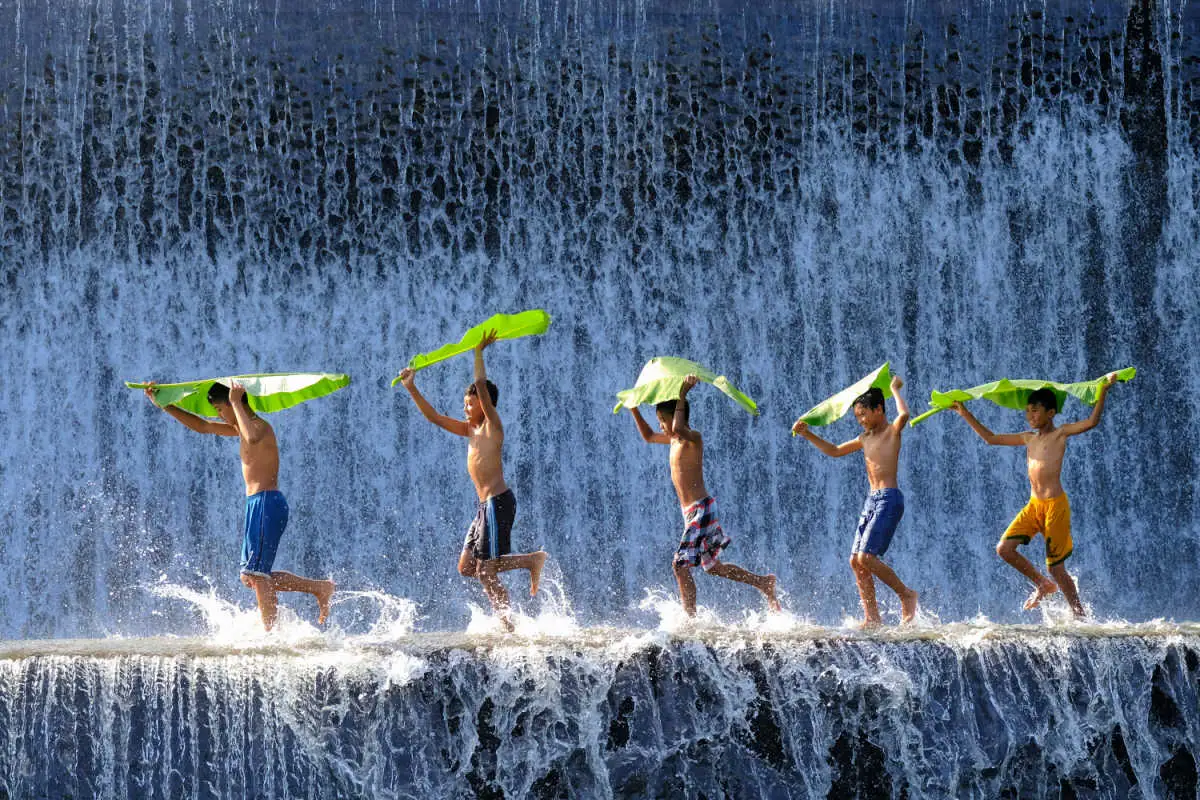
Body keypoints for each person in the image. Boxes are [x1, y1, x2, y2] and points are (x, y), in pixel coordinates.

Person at [144, 381, 334, 631]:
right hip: (257, 504)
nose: (218, 415)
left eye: (221, 409)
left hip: (267, 502)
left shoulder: (259, 427)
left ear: (237, 402)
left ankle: (270, 633)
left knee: (257, 575)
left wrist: (235, 401)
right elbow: (202, 426)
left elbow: (252, 437)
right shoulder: (240, 428)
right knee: (251, 577)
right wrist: (165, 405)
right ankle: (319, 588)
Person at [397, 331, 548, 632]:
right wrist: (411, 388)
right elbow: (435, 418)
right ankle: (530, 560)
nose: (465, 408)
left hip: (498, 502)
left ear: (484, 403)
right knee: (467, 567)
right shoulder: (470, 430)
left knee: (486, 573)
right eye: (465, 403)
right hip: (484, 508)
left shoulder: (493, 427)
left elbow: (481, 384)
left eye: (470, 404)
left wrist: (478, 351)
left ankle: (509, 628)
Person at [950, 373, 1119, 617]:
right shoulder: (1028, 438)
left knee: (1057, 568)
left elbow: (1091, 421)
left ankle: (1079, 614)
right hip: (1034, 505)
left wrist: (1103, 390)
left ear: (1051, 413)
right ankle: (1042, 584)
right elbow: (991, 438)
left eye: (1036, 411)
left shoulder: (1060, 434)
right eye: (1027, 411)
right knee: (1004, 549)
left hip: (1055, 507)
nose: (1030, 416)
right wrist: (963, 412)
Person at [629, 375, 780, 617]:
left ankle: (690, 618)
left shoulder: (692, 438)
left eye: (662, 420)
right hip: (692, 512)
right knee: (712, 567)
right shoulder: (672, 441)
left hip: (701, 508)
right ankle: (763, 583)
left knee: (679, 565)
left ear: (677, 416)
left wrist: (682, 394)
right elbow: (647, 436)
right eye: (659, 421)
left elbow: (678, 427)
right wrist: (633, 407)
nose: (661, 426)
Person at [792, 375, 919, 628]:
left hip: (889, 499)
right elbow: (835, 451)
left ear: (879, 410)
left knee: (867, 557)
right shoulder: (864, 439)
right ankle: (872, 618)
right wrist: (808, 434)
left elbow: (904, 415)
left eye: (863, 415)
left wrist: (894, 390)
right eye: (857, 417)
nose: (860, 420)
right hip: (872, 501)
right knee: (855, 561)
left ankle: (906, 594)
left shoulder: (892, 432)